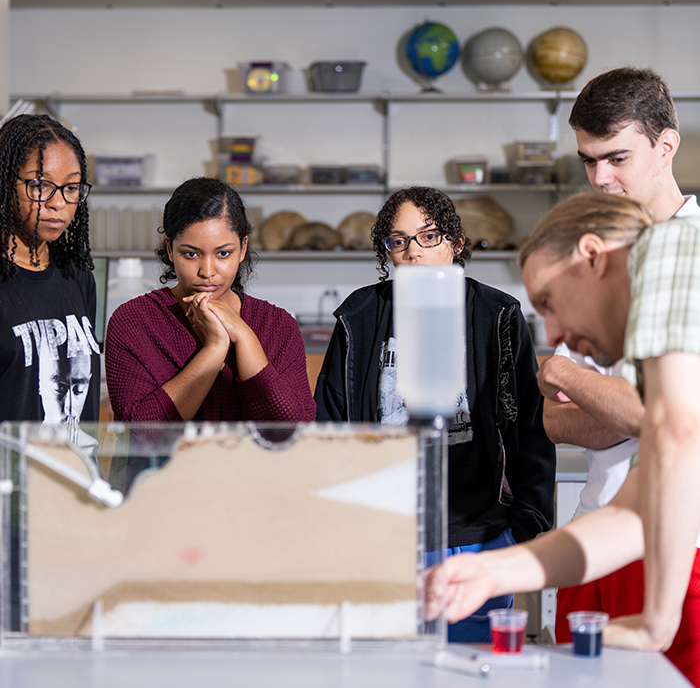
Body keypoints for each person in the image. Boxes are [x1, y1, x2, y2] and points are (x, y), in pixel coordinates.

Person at [424, 191, 700, 687]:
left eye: (549, 303)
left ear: (591, 256)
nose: (556, 333)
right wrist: (495, 573)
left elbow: (678, 432)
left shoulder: (670, 249)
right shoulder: (665, 361)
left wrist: (656, 623)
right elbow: (634, 514)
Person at [314, 186, 555, 643]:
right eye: (398, 241)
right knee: (382, 669)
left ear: (456, 242)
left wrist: (526, 525)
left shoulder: (497, 315)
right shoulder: (360, 317)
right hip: (382, 537)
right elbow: (329, 426)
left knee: (468, 663)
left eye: (428, 237)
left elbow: (530, 429)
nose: (414, 252)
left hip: (476, 535)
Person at [536, 67, 700, 643]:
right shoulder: (596, 260)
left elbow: (672, 423)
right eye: (588, 160)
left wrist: (565, 374)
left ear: (666, 146)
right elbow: (555, 421)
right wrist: (620, 406)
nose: (600, 178)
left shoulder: (694, 254)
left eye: (618, 158)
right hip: (592, 529)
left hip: (679, 542)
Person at [105, 177, 316, 425]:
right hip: (164, 466)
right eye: (191, 254)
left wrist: (244, 336)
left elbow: (295, 430)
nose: (207, 271)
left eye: (223, 253)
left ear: (243, 248)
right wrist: (215, 349)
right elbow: (141, 432)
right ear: (170, 249)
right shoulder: (134, 321)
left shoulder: (279, 326)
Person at [0, 113, 100, 428]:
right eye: (40, 186)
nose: (59, 203)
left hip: (76, 473)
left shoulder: (76, 275)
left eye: (71, 187)